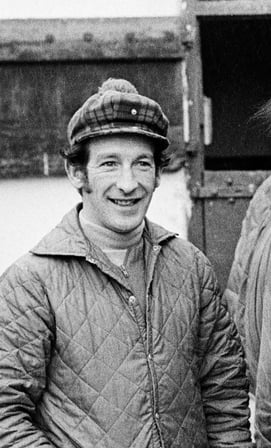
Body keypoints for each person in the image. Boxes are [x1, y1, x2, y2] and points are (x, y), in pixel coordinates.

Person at [0, 78, 253, 447]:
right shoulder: (31, 283)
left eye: (142, 164)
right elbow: (6, 415)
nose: (128, 183)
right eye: (109, 164)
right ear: (77, 173)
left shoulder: (190, 267)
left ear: (157, 173)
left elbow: (225, 394)